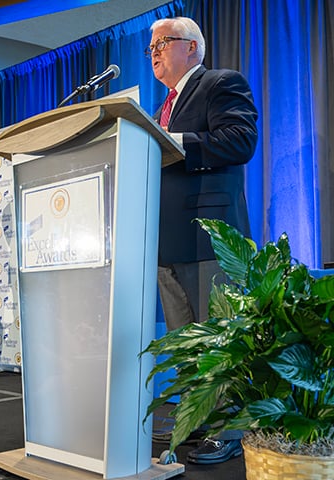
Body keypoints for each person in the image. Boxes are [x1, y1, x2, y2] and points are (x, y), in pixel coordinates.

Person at [147, 17, 258, 464]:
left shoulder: (219, 83)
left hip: (210, 235)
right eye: (150, 46)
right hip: (167, 239)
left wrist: (172, 142)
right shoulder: (161, 107)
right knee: (186, 340)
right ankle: (198, 420)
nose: (154, 51)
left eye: (163, 43)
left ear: (192, 48)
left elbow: (240, 140)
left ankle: (231, 430)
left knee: (219, 338)